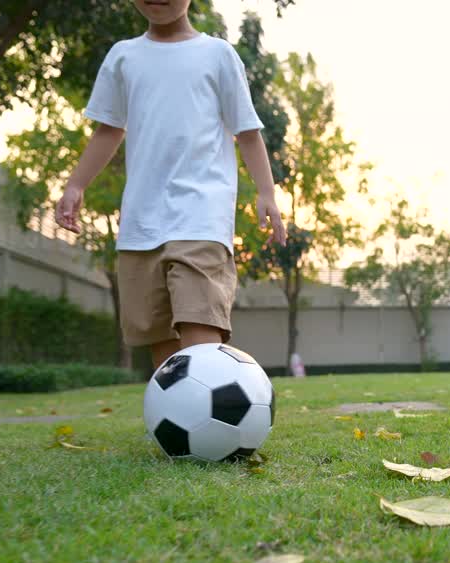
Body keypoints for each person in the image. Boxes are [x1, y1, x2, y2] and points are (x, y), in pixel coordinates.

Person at [55, 0, 286, 370]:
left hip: (201, 214)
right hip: (141, 222)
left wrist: (266, 192)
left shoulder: (217, 54)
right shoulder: (123, 57)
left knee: (200, 322)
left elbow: (247, 130)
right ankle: (178, 423)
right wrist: (75, 185)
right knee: (158, 335)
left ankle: (211, 417)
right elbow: (108, 129)